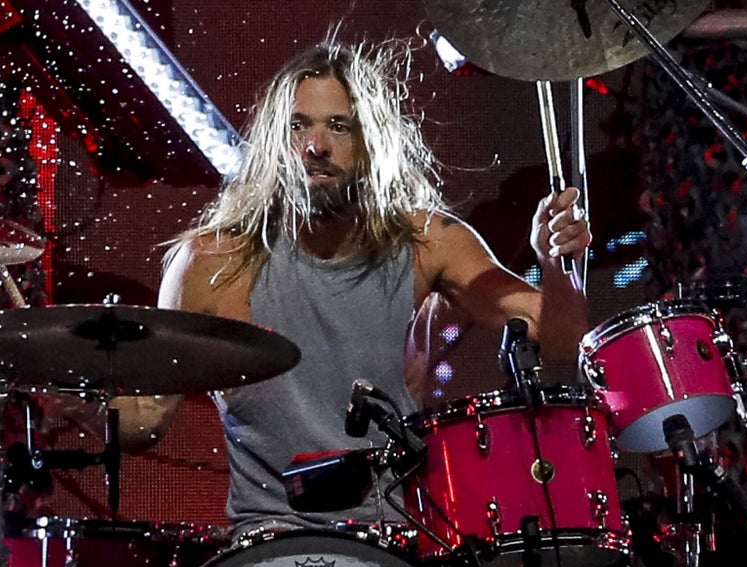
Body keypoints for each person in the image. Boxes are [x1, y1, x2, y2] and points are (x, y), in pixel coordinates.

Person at [117, 40, 592, 535]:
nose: (315, 146)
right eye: (297, 125)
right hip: (266, 547)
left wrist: (553, 263)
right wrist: (72, 395)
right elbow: (145, 419)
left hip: (399, 541)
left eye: (337, 126)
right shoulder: (209, 261)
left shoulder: (428, 242)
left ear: (370, 141)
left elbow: (561, 340)